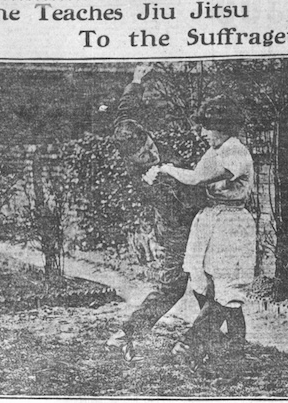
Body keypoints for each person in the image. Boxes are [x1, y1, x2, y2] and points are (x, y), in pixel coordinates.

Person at [106, 63, 256, 366]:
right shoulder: (152, 174)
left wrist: (135, 83)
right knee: (186, 284)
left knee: (215, 284)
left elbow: (125, 116)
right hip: (182, 225)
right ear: (136, 154)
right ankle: (149, 336)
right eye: (146, 147)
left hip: (204, 220)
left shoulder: (138, 143)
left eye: (149, 141)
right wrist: (182, 175)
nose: (151, 146)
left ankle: (220, 343)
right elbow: (195, 188)